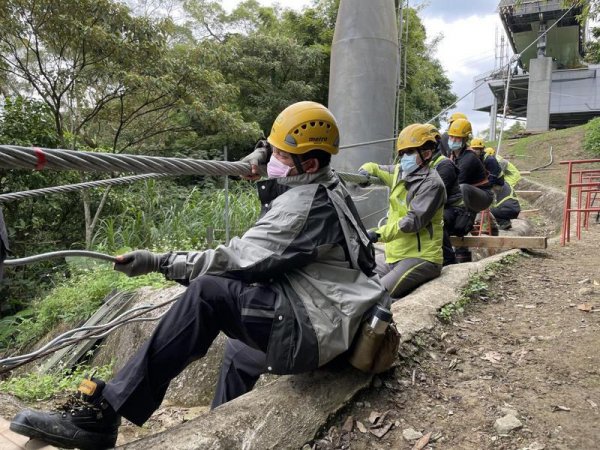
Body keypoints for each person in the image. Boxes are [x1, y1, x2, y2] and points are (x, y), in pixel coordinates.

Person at [10, 101, 390, 450]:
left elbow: (236, 260)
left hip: (315, 327)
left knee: (209, 293)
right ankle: (219, 429)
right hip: (334, 316)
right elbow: (286, 191)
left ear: (308, 164)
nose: (270, 160)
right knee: (240, 353)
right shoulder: (326, 181)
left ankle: (105, 414)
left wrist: (159, 262)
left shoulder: (303, 208)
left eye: (278, 155)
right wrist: (264, 156)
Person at [358, 123, 446, 299]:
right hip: (394, 256)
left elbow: (412, 222)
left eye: (410, 152)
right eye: (402, 153)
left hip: (421, 258)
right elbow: (377, 168)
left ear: (427, 154)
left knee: (377, 294)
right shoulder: (400, 172)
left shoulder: (432, 184)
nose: (405, 157)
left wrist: (377, 234)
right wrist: (365, 170)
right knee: (359, 281)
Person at [447, 119, 494, 261]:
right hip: (468, 195)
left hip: (482, 196)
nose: (453, 140)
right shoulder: (453, 155)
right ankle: (461, 250)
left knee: (462, 189)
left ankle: (463, 223)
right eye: (451, 137)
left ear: (465, 139)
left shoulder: (469, 158)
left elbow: (455, 184)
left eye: (457, 138)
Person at [424, 124, 464, 266]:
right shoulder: (428, 164)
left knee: (433, 220)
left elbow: (435, 194)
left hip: (454, 210)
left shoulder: (444, 165)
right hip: (442, 206)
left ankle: (448, 259)